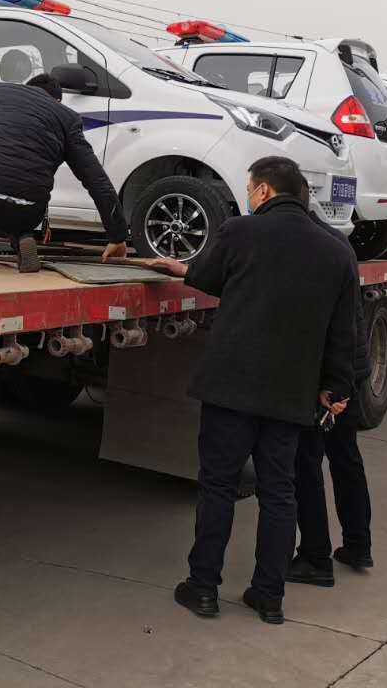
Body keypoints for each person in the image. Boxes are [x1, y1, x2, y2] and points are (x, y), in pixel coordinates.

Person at [149, 156, 357, 625]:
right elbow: (344, 329)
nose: (247, 196)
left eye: (249, 188)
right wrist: (335, 385)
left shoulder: (241, 231)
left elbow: (207, 277)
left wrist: (178, 268)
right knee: (279, 492)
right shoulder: (336, 250)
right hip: (292, 393)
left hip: (232, 388)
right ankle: (269, 596)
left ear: (263, 191)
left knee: (218, 486)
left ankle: (203, 587)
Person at [0, 73, 128, 272]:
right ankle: (22, 237)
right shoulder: (67, 119)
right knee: (22, 190)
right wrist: (117, 237)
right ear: (57, 101)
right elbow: (97, 182)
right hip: (30, 214)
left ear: (26, 88)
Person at [289, 210, 374, 587]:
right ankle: (358, 544)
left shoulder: (308, 247)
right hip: (349, 370)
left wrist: (329, 386)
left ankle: (315, 557)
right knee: (345, 458)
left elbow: (320, 323)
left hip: (327, 377)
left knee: (306, 465)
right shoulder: (336, 241)